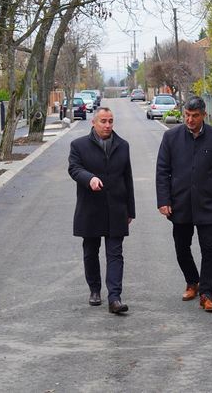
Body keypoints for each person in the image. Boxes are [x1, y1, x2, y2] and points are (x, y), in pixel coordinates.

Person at [155, 96, 212, 312]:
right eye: (187, 115)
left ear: (204, 115)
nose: (190, 120)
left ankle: (206, 294)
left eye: (195, 116)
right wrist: (163, 200)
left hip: (206, 203)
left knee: (210, 249)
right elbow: (162, 171)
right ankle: (192, 281)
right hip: (179, 203)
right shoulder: (171, 137)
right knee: (181, 248)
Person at [68, 107, 135, 314]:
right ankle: (95, 289)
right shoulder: (78, 145)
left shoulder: (123, 145)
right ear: (93, 123)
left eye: (110, 121)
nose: (107, 125)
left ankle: (114, 298)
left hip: (117, 208)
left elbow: (127, 178)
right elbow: (74, 168)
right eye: (103, 121)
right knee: (91, 251)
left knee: (115, 253)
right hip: (90, 208)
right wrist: (90, 179)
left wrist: (130, 210)